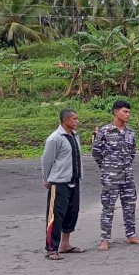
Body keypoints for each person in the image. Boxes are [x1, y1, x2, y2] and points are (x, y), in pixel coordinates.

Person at [93, 101, 139, 251]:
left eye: (129, 112)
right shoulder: (105, 131)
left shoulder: (130, 132)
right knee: (108, 207)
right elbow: (96, 153)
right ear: (116, 112)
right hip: (110, 176)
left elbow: (132, 152)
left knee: (130, 206)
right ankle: (105, 239)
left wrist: (125, 165)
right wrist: (107, 167)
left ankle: (131, 235)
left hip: (127, 176)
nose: (128, 114)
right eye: (125, 111)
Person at [41, 109, 84, 260]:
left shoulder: (74, 136)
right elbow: (47, 161)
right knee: (55, 216)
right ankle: (51, 248)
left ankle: (65, 244)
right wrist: (47, 179)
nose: (77, 121)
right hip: (59, 183)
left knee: (72, 213)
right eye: (74, 119)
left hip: (74, 180)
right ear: (65, 120)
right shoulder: (54, 138)